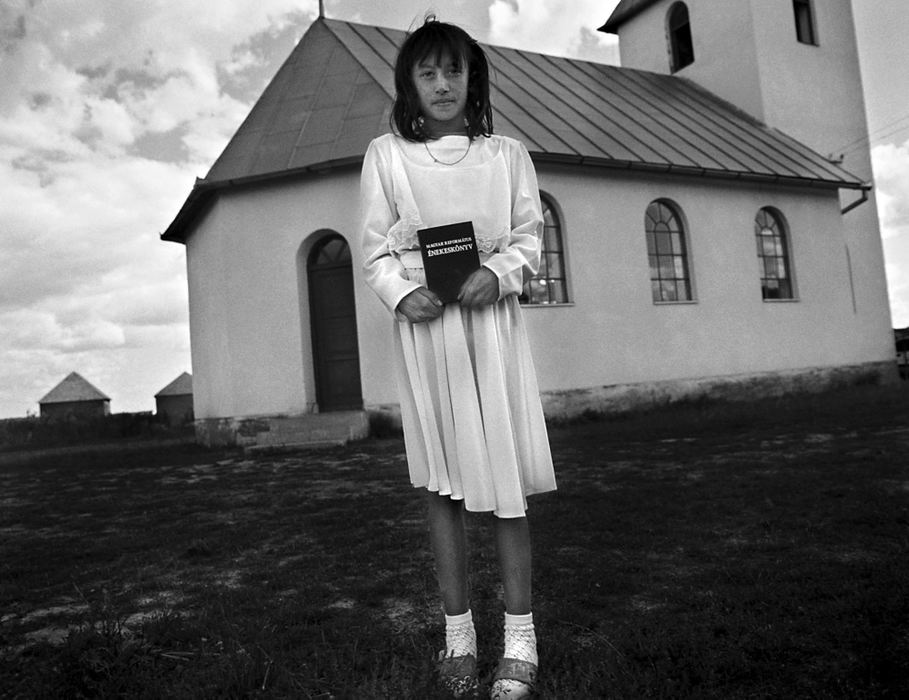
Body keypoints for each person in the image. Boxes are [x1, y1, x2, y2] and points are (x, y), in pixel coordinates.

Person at [359, 17, 557, 699]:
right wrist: (400, 292)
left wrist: (497, 274)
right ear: (409, 86)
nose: (442, 84)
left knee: (502, 486)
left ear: (472, 79)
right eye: (427, 72)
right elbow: (375, 248)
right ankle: (458, 634)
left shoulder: (506, 156)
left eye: (453, 71)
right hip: (428, 331)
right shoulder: (384, 155)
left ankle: (520, 640)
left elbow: (529, 238)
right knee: (442, 485)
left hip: (488, 328)